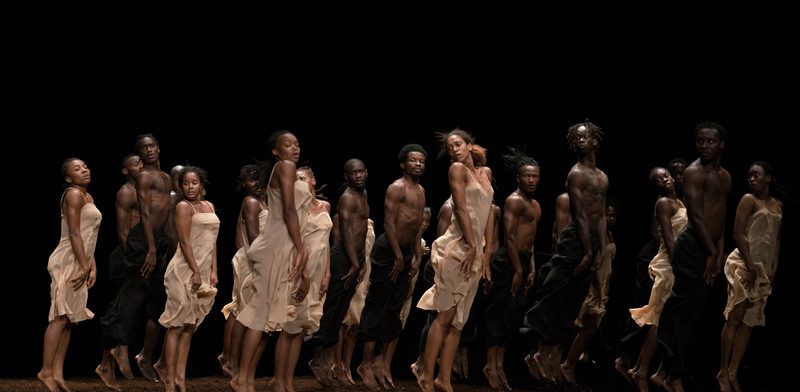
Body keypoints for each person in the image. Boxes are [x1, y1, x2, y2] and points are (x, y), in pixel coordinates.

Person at [522, 121, 608, 384]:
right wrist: (587, 250)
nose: (581, 141)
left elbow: (601, 214)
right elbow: (580, 215)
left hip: (593, 239)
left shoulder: (602, 176)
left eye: (586, 136)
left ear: (595, 140)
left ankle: (546, 353)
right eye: (577, 138)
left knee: (573, 301)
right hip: (576, 239)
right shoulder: (576, 174)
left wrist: (601, 248)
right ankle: (535, 345)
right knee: (557, 291)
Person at [230, 130, 311, 392]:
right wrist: (301, 248)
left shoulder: (288, 169)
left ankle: (246, 378)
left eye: (297, 144)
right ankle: (240, 378)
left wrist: (299, 249)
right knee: (260, 315)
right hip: (275, 245)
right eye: (288, 145)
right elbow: (289, 209)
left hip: (283, 246)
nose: (294, 149)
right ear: (276, 151)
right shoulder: (285, 166)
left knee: (268, 321)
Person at [416, 128, 496, 392]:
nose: (454, 150)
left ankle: (444, 379)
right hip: (458, 248)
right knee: (445, 316)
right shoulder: (456, 170)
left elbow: (489, 215)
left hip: (475, 252)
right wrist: (472, 245)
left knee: (459, 321)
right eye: (450, 147)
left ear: (470, 144)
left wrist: (485, 254)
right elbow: (460, 208)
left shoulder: (485, 173)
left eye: (458, 144)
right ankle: (427, 375)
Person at [657, 122, 731, 392]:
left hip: (711, 249)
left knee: (692, 316)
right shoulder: (693, 172)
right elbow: (697, 216)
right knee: (679, 312)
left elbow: (720, 218)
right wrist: (711, 252)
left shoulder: (725, 176)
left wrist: (720, 253)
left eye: (710, 141)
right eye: (700, 141)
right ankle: (672, 375)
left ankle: (667, 372)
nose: (705, 145)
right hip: (693, 248)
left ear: (721, 143)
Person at [100, 134, 173, 383]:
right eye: (144, 147)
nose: (149, 150)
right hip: (144, 240)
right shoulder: (143, 177)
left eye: (152, 145)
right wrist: (150, 249)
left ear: (159, 148)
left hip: (157, 240)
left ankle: (139, 354)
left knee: (155, 302)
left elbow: (167, 214)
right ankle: (115, 353)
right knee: (130, 299)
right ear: (139, 154)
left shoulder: (165, 177)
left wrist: (165, 248)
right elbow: (144, 212)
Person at [357, 144, 427, 390]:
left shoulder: (421, 191)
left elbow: (417, 225)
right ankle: (365, 364)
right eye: (413, 161)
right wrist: (397, 255)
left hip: (406, 253)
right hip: (388, 251)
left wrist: (416, 255)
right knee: (377, 307)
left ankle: (378, 363)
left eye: (421, 161)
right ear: (403, 164)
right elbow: (388, 222)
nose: (418, 164)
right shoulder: (396, 188)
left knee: (394, 310)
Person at [718, 161, 783, 392]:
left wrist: (773, 267)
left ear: (768, 178)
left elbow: (775, 240)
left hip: (763, 270)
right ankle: (722, 372)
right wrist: (750, 264)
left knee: (749, 322)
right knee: (735, 317)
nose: (751, 179)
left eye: (756, 175)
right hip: (743, 264)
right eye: (749, 175)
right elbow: (737, 233)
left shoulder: (777, 205)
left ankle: (734, 371)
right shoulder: (748, 199)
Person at [39, 158, 102, 392]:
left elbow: (89, 236)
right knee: (60, 316)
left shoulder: (89, 197)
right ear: (68, 178)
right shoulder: (73, 194)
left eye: (85, 166)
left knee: (70, 320)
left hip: (81, 259)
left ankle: (57, 373)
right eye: (77, 169)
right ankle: (45, 371)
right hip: (67, 259)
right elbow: (74, 233)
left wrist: (91, 265)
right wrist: (84, 265)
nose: (84, 169)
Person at [307, 158, 370, 387]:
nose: (359, 175)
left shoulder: (363, 196)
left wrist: (361, 263)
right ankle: (318, 360)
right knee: (331, 310)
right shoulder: (347, 198)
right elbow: (345, 232)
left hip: (355, 259)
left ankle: (326, 363)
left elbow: (361, 232)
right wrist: (354, 263)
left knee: (341, 310)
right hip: (344, 258)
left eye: (362, 171)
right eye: (354, 173)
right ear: (347, 176)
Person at [623, 167, 687, 391]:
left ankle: (652, 371)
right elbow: (668, 239)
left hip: (679, 262)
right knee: (659, 318)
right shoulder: (663, 204)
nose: (666, 180)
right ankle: (641, 371)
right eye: (659, 179)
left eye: (666, 175)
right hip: (670, 263)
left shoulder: (681, 202)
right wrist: (679, 266)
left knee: (667, 320)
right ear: (655, 186)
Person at [483, 148, 541, 390]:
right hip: (508, 262)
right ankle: (489, 365)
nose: (531, 180)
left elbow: (531, 239)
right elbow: (510, 237)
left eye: (535, 176)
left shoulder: (536, 205)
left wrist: (532, 268)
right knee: (499, 315)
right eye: (527, 176)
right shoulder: (514, 200)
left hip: (523, 261)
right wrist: (518, 269)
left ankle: (499, 365)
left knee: (512, 318)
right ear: (518, 178)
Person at [158, 166, 220, 392]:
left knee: (190, 326)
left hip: (202, 271)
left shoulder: (209, 206)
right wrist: (195, 271)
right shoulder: (183, 207)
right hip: (183, 271)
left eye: (194, 183)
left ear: (201, 185)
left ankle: (180, 379)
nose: (190, 187)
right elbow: (184, 242)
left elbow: (212, 241)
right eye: (186, 183)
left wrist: (212, 270)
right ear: (181, 186)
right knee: (176, 325)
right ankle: (169, 378)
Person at [280, 166, 333, 391]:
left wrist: (327, 273)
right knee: (289, 326)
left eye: (302, 178)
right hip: (299, 269)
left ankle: (288, 381)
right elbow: (292, 245)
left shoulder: (325, 206)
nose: (298, 183)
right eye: (295, 180)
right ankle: (278, 381)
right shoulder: (294, 209)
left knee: (301, 328)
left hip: (319, 270)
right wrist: (304, 274)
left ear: (313, 181)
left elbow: (326, 242)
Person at [95, 154, 142, 390]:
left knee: (128, 309)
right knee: (118, 310)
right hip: (126, 256)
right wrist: (131, 257)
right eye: (136, 164)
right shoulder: (126, 192)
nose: (141, 166)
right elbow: (123, 231)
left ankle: (111, 361)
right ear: (125, 170)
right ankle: (108, 361)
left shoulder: (146, 190)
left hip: (141, 255)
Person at [218, 164, 267, 378]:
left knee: (247, 311)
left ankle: (232, 360)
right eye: (251, 180)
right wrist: (251, 260)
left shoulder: (264, 202)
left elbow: (240, 233)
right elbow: (254, 236)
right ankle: (232, 361)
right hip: (255, 261)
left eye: (259, 179)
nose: (255, 183)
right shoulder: (251, 201)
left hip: (258, 259)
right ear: (243, 184)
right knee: (243, 312)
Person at [562, 199, 617, 382]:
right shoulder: (598, 236)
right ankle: (567, 365)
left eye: (613, 215)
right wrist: (596, 290)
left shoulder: (609, 235)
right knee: (587, 328)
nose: (611, 218)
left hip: (602, 285)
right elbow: (593, 266)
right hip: (593, 287)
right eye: (607, 215)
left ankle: (570, 364)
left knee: (590, 329)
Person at [335, 216, 375, 385]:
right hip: (349, 270)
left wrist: (368, 276)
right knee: (342, 321)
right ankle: (336, 365)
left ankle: (346, 365)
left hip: (364, 274)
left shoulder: (370, 223)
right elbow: (338, 245)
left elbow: (369, 252)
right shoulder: (342, 218)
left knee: (355, 323)